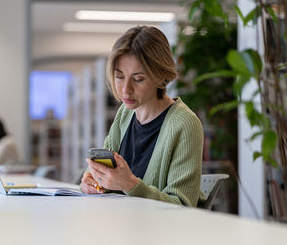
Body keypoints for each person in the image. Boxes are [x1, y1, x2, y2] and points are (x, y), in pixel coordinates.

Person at [80, 26, 206, 207]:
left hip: (159, 232)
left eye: (138, 79)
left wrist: (130, 184)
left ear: (160, 76)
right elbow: (98, 176)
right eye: (119, 77)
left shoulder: (185, 124)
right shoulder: (125, 113)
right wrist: (92, 181)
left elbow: (183, 206)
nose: (125, 89)